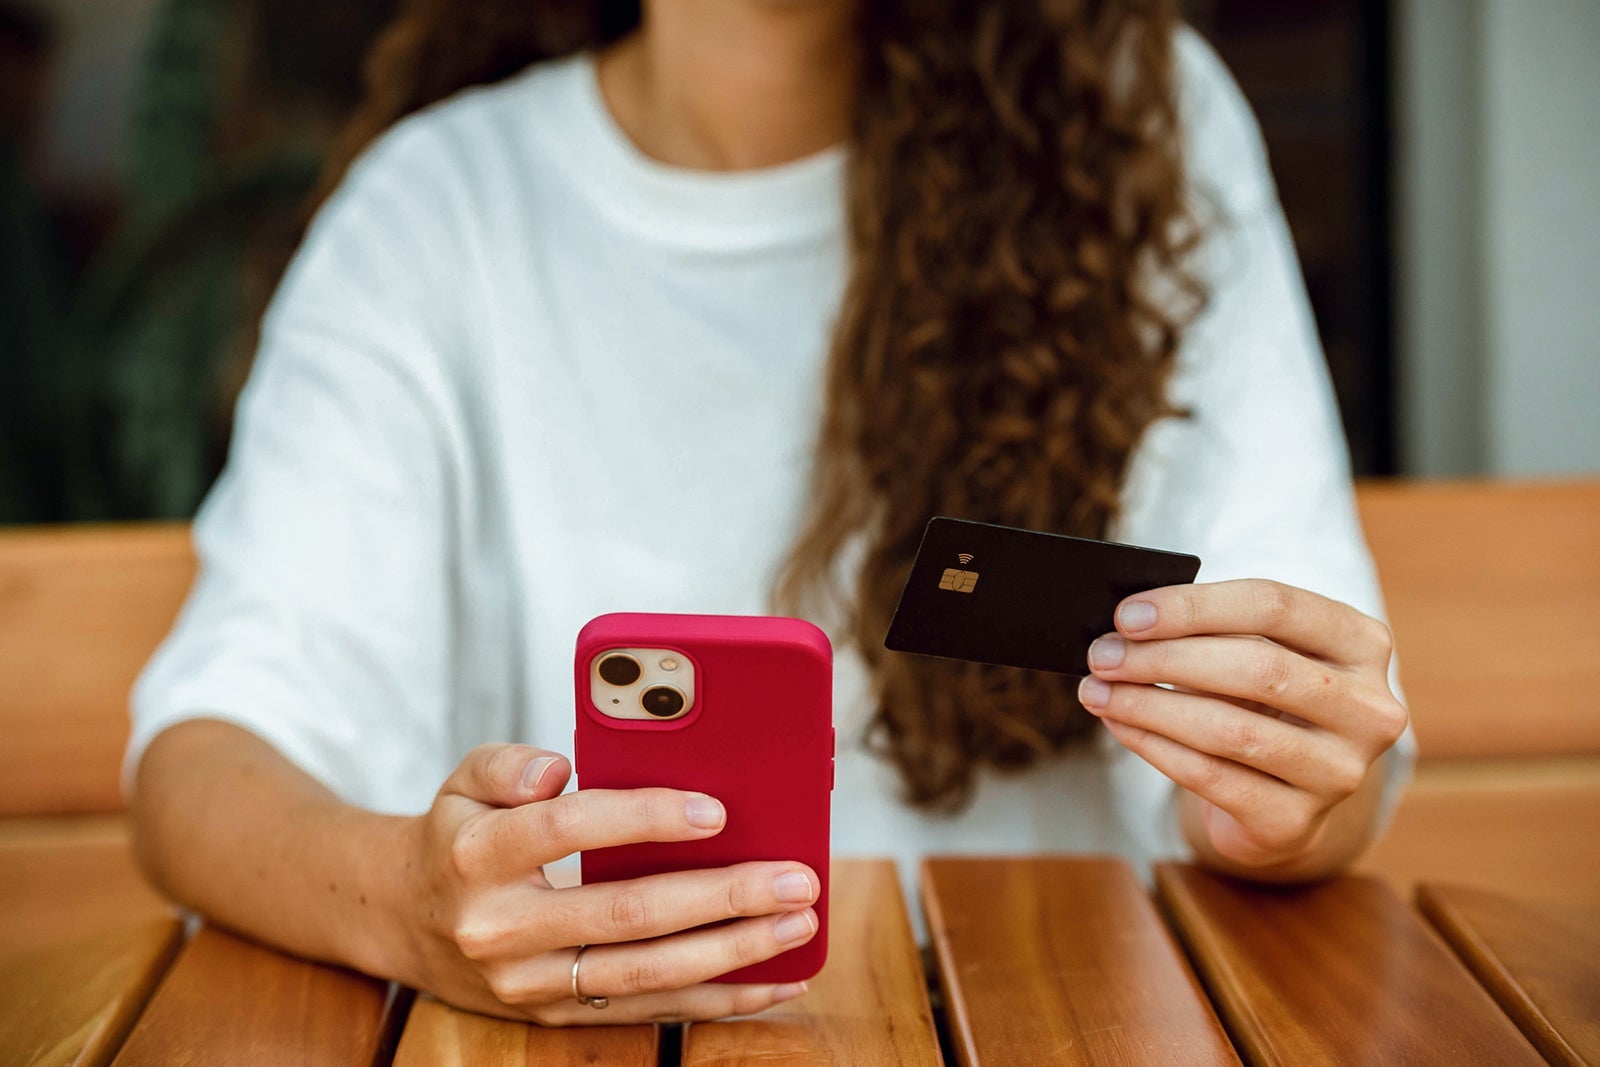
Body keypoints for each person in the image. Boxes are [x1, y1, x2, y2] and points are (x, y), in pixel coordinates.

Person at [126, 0, 1412, 1027]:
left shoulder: (1146, 131)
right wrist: (408, 902)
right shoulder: (438, 210)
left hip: (1059, 1020)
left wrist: (1290, 793)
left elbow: (1307, 756)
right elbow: (208, 757)